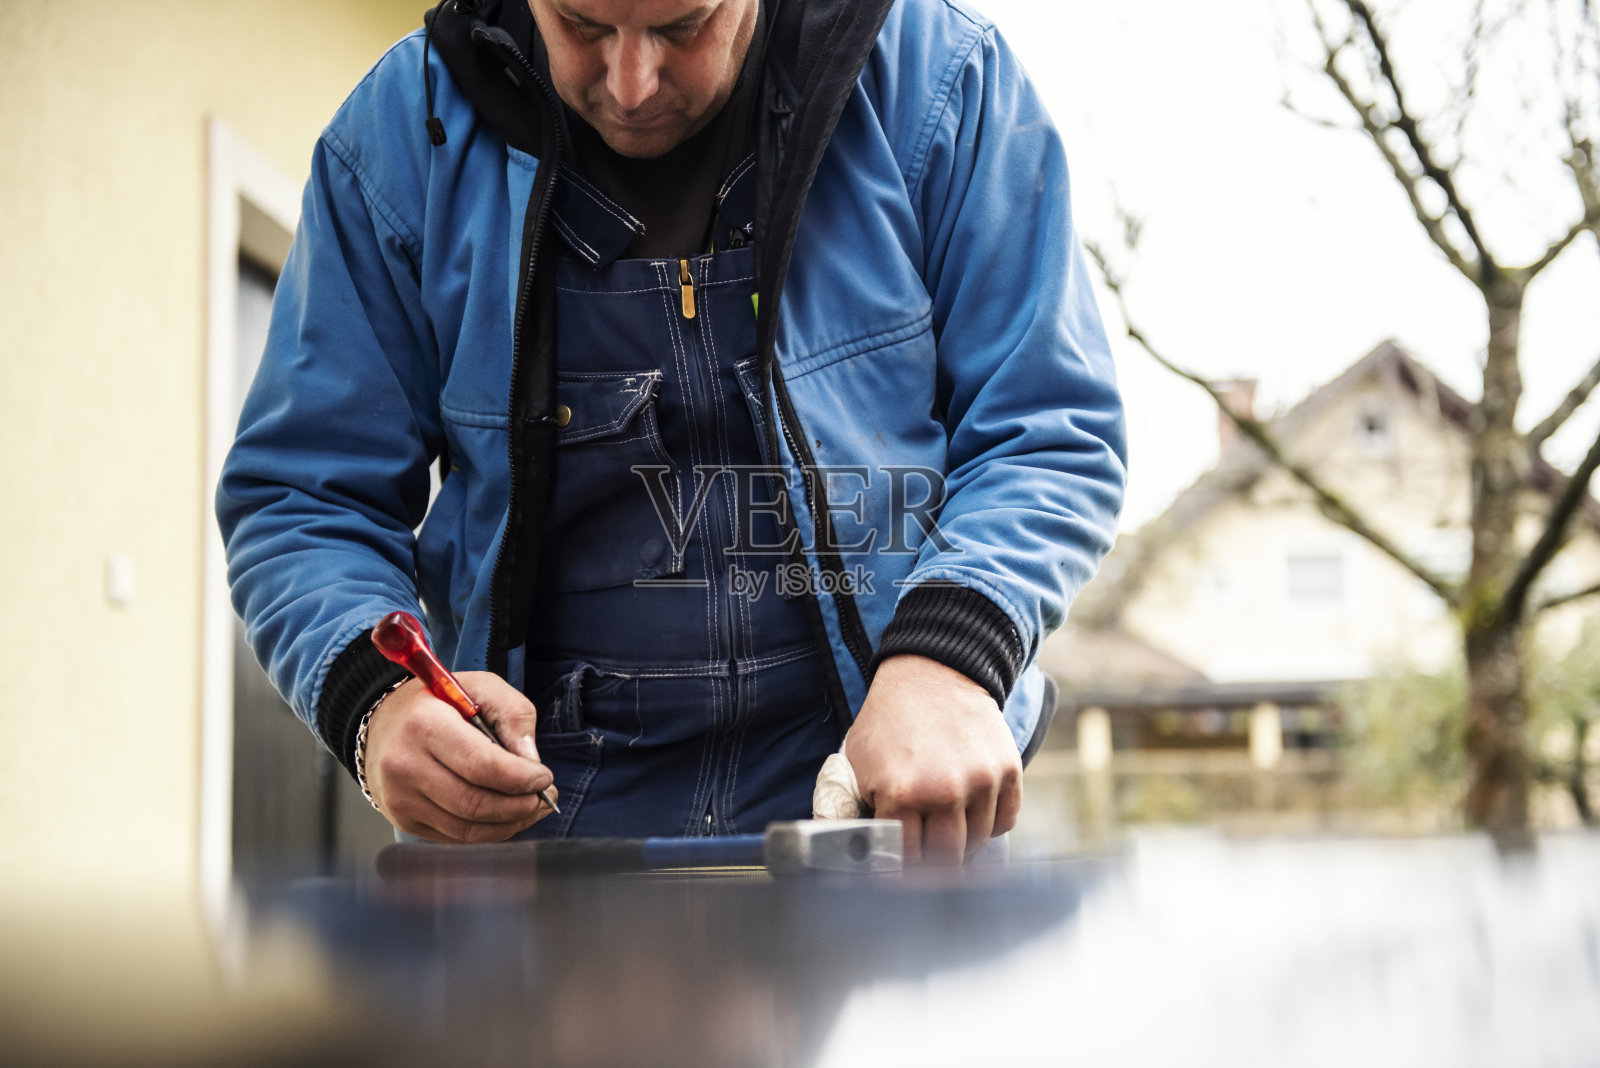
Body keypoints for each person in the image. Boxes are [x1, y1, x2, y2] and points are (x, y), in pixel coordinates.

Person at [217, 0, 1126, 864]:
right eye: (580, 24)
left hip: (882, 814)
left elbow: (1045, 429)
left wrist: (949, 660)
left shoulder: (943, 82)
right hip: (538, 862)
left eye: (682, 26)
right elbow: (303, 498)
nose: (630, 83)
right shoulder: (396, 142)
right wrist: (378, 702)